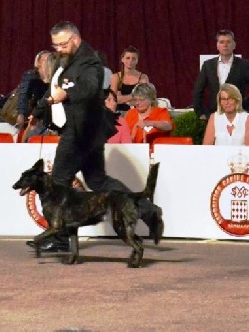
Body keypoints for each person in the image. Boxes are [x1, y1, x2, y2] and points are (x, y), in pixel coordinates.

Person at [26, 20, 163, 252]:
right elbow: (54, 89)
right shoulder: (66, 59)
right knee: (97, 181)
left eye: (61, 44)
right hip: (86, 130)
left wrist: (64, 95)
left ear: (75, 39)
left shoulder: (90, 61)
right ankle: (147, 210)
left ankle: (59, 239)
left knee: (58, 181)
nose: (57, 49)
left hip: (81, 131)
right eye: (55, 45)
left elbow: (88, 89)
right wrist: (38, 111)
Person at [192, 29, 249, 119]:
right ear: (217, 45)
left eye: (228, 42)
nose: (225, 45)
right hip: (214, 115)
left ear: (234, 45)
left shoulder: (245, 65)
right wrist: (201, 113)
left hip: (238, 116)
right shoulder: (208, 65)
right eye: (222, 42)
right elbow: (197, 90)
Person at [14, 50, 51, 130]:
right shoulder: (30, 76)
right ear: (38, 63)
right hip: (34, 115)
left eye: (50, 59)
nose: (48, 62)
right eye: (45, 60)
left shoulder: (56, 76)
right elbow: (23, 95)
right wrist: (21, 114)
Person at [110, 46, 149, 112]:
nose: (130, 61)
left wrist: (122, 99)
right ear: (122, 59)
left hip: (138, 113)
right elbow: (113, 99)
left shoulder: (143, 77)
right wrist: (133, 96)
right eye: (128, 58)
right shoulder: (116, 77)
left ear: (137, 61)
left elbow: (144, 99)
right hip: (119, 113)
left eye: (133, 58)